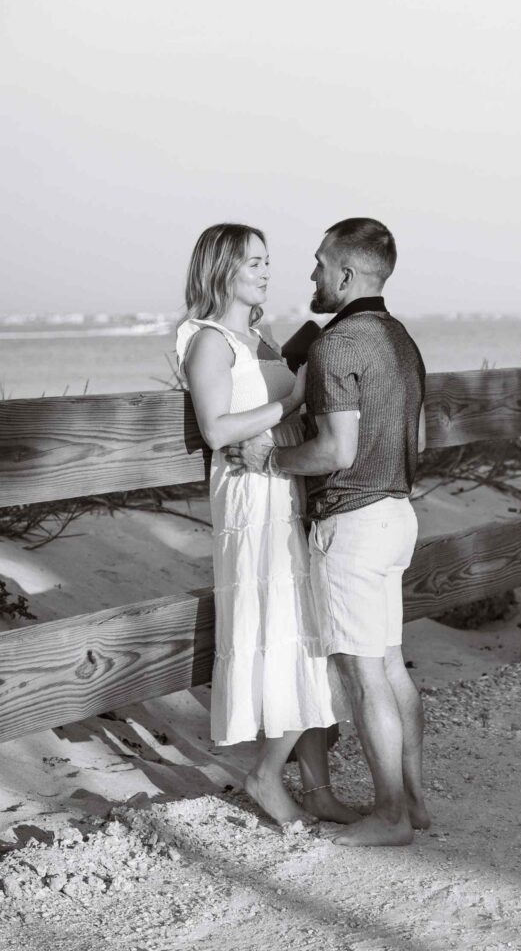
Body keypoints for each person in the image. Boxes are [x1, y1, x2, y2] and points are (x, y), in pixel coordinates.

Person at [229, 218, 429, 846]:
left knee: (364, 676)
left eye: (319, 263)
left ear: (345, 274)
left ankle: (391, 816)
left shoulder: (336, 345)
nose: (311, 275)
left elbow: (335, 451)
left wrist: (270, 460)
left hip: (354, 525)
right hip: (397, 515)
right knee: (390, 666)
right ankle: (414, 802)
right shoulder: (402, 340)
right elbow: (413, 438)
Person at [176, 223, 357, 827]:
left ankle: (318, 789)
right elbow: (216, 430)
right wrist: (294, 399)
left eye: (267, 261)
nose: (266, 271)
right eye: (254, 262)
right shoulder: (209, 341)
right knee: (285, 627)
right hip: (250, 496)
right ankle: (265, 775)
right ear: (221, 269)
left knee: (305, 633)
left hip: (283, 485)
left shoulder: (259, 336)